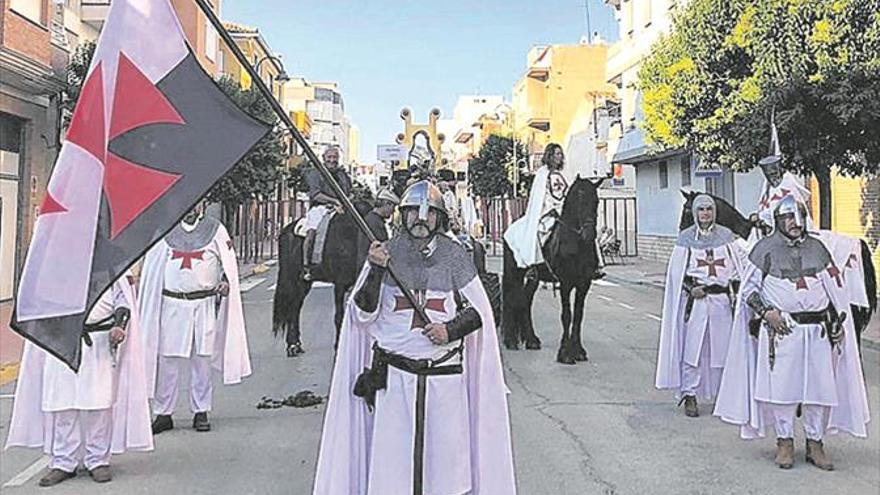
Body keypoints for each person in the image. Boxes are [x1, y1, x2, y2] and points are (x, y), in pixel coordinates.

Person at [312, 180, 516, 494]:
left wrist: (449, 330)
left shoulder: (455, 256)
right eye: (413, 213)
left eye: (429, 214)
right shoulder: (385, 254)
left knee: (446, 470)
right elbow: (362, 314)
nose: (421, 220)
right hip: (396, 382)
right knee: (393, 470)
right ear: (402, 214)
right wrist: (376, 269)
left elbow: (482, 313)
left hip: (444, 382)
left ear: (440, 217)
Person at [714, 196, 869, 470]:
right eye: (788, 218)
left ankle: (815, 444)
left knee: (818, 391)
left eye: (798, 216)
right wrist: (766, 312)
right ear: (778, 221)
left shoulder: (819, 249)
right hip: (782, 331)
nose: (795, 223)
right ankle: (784, 442)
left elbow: (836, 293)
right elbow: (748, 292)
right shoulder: (764, 249)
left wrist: (836, 322)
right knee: (782, 391)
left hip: (817, 332)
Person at [6, 272, 153, 486]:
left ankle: (98, 460)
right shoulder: (57, 266)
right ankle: (64, 462)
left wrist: (119, 325)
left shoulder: (109, 267)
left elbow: (123, 299)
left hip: (99, 340)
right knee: (63, 403)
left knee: (99, 404)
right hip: (62, 341)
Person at [138, 203, 251, 434]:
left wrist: (226, 281)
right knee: (167, 361)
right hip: (172, 305)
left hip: (203, 305)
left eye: (197, 202)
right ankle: (163, 413)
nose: (191, 206)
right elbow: (152, 268)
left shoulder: (215, 229)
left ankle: (201, 411)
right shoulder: (164, 230)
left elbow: (227, 265)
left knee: (201, 360)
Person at [655, 195, 745, 417]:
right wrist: (689, 289)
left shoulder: (727, 237)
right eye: (701, 209)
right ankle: (690, 394)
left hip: (722, 302)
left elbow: (739, 269)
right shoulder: (686, 239)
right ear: (695, 213)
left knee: (725, 351)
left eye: (709, 209)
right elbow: (678, 275)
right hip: (697, 303)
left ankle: (725, 396)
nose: (705, 213)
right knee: (692, 351)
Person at [504, 143, 569, 276]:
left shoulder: (562, 174)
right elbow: (541, 197)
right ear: (550, 156)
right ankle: (535, 265)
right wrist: (553, 208)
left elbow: (565, 193)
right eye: (557, 153)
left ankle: (594, 266)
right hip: (547, 212)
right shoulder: (542, 174)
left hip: (563, 210)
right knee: (540, 232)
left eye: (560, 154)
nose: (560, 156)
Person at [303, 146, 353, 280]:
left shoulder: (343, 175)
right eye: (329, 157)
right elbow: (315, 194)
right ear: (324, 158)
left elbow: (349, 192)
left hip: (341, 207)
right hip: (320, 208)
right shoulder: (315, 173)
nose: (332, 160)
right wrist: (334, 201)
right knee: (312, 232)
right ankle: (308, 265)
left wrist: (346, 201)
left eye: (335, 157)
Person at [355, 187, 400, 269]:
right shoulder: (375, 222)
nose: (393, 211)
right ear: (386, 204)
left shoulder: (371, 218)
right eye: (393, 207)